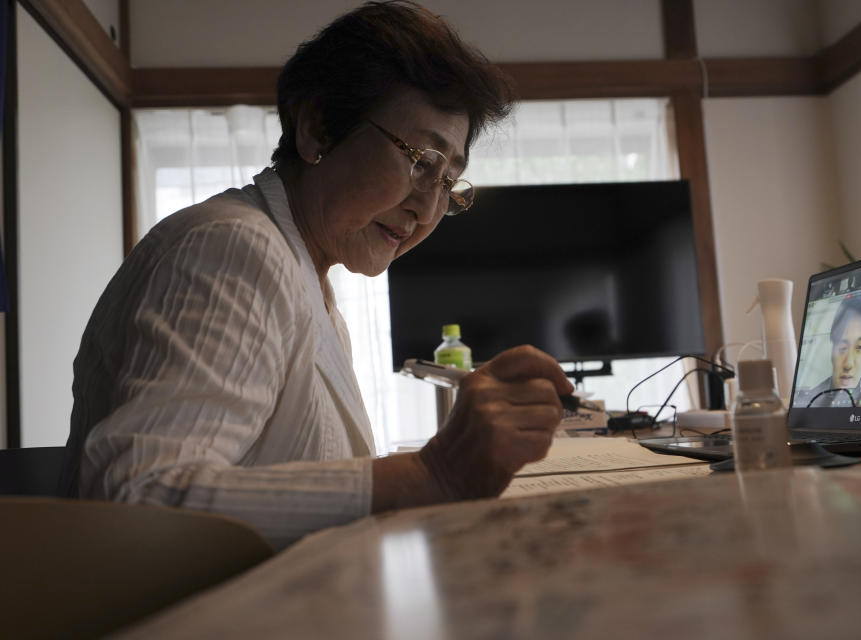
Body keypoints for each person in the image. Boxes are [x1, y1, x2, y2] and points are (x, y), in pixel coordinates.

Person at [59, 1, 573, 550]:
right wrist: (433, 474)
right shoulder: (237, 247)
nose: (427, 210)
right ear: (317, 129)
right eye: (422, 160)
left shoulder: (308, 276)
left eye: (448, 183)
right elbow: (140, 501)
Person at [803, 293, 861, 407]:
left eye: (859, 347)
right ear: (832, 350)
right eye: (842, 348)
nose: (848, 364)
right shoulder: (812, 400)